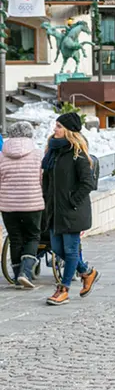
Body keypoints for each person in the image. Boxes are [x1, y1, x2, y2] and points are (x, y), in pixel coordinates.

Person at [42, 112, 100, 306]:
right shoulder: (53, 151)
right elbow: (47, 180)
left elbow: (87, 182)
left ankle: (63, 289)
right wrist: (47, 199)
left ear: (68, 130)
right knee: (57, 248)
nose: (55, 129)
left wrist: (72, 201)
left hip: (72, 211)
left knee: (70, 249)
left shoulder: (78, 153)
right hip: (55, 211)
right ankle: (87, 272)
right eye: (56, 125)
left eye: (59, 126)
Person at [0, 121, 45, 289]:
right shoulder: (38, 154)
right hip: (32, 204)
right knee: (32, 236)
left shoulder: (1, 156)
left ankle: (17, 275)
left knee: (15, 238)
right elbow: (43, 180)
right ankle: (25, 273)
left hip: (8, 205)